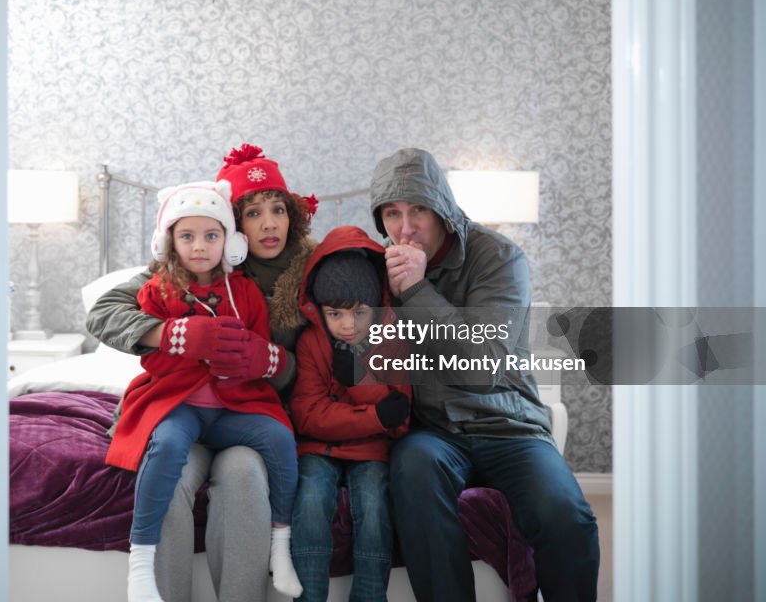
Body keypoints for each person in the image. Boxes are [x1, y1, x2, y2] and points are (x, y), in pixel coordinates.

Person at [86, 144, 317, 602]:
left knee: (248, 478)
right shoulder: (175, 267)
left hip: (248, 408)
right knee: (169, 471)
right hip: (182, 404)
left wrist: (271, 362)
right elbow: (104, 312)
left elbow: (326, 360)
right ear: (237, 226)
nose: (268, 224)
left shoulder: (313, 272)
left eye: (277, 210)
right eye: (253, 213)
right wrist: (167, 334)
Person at [369, 147, 600, 602]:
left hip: (508, 424)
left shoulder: (499, 257)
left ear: (443, 208)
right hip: (433, 430)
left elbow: (483, 366)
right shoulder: (378, 267)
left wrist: (417, 289)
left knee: (566, 515)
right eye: (392, 214)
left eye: (418, 209)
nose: (406, 227)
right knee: (414, 467)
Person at [288, 226, 411, 602]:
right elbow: (309, 416)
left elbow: (400, 413)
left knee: (374, 508)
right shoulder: (311, 342)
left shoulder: (392, 339)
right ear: (319, 309)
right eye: (335, 313)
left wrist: (354, 382)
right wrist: (373, 415)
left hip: (371, 452)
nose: (348, 324)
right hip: (318, 450)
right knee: (309, 503)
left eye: (360, 312)